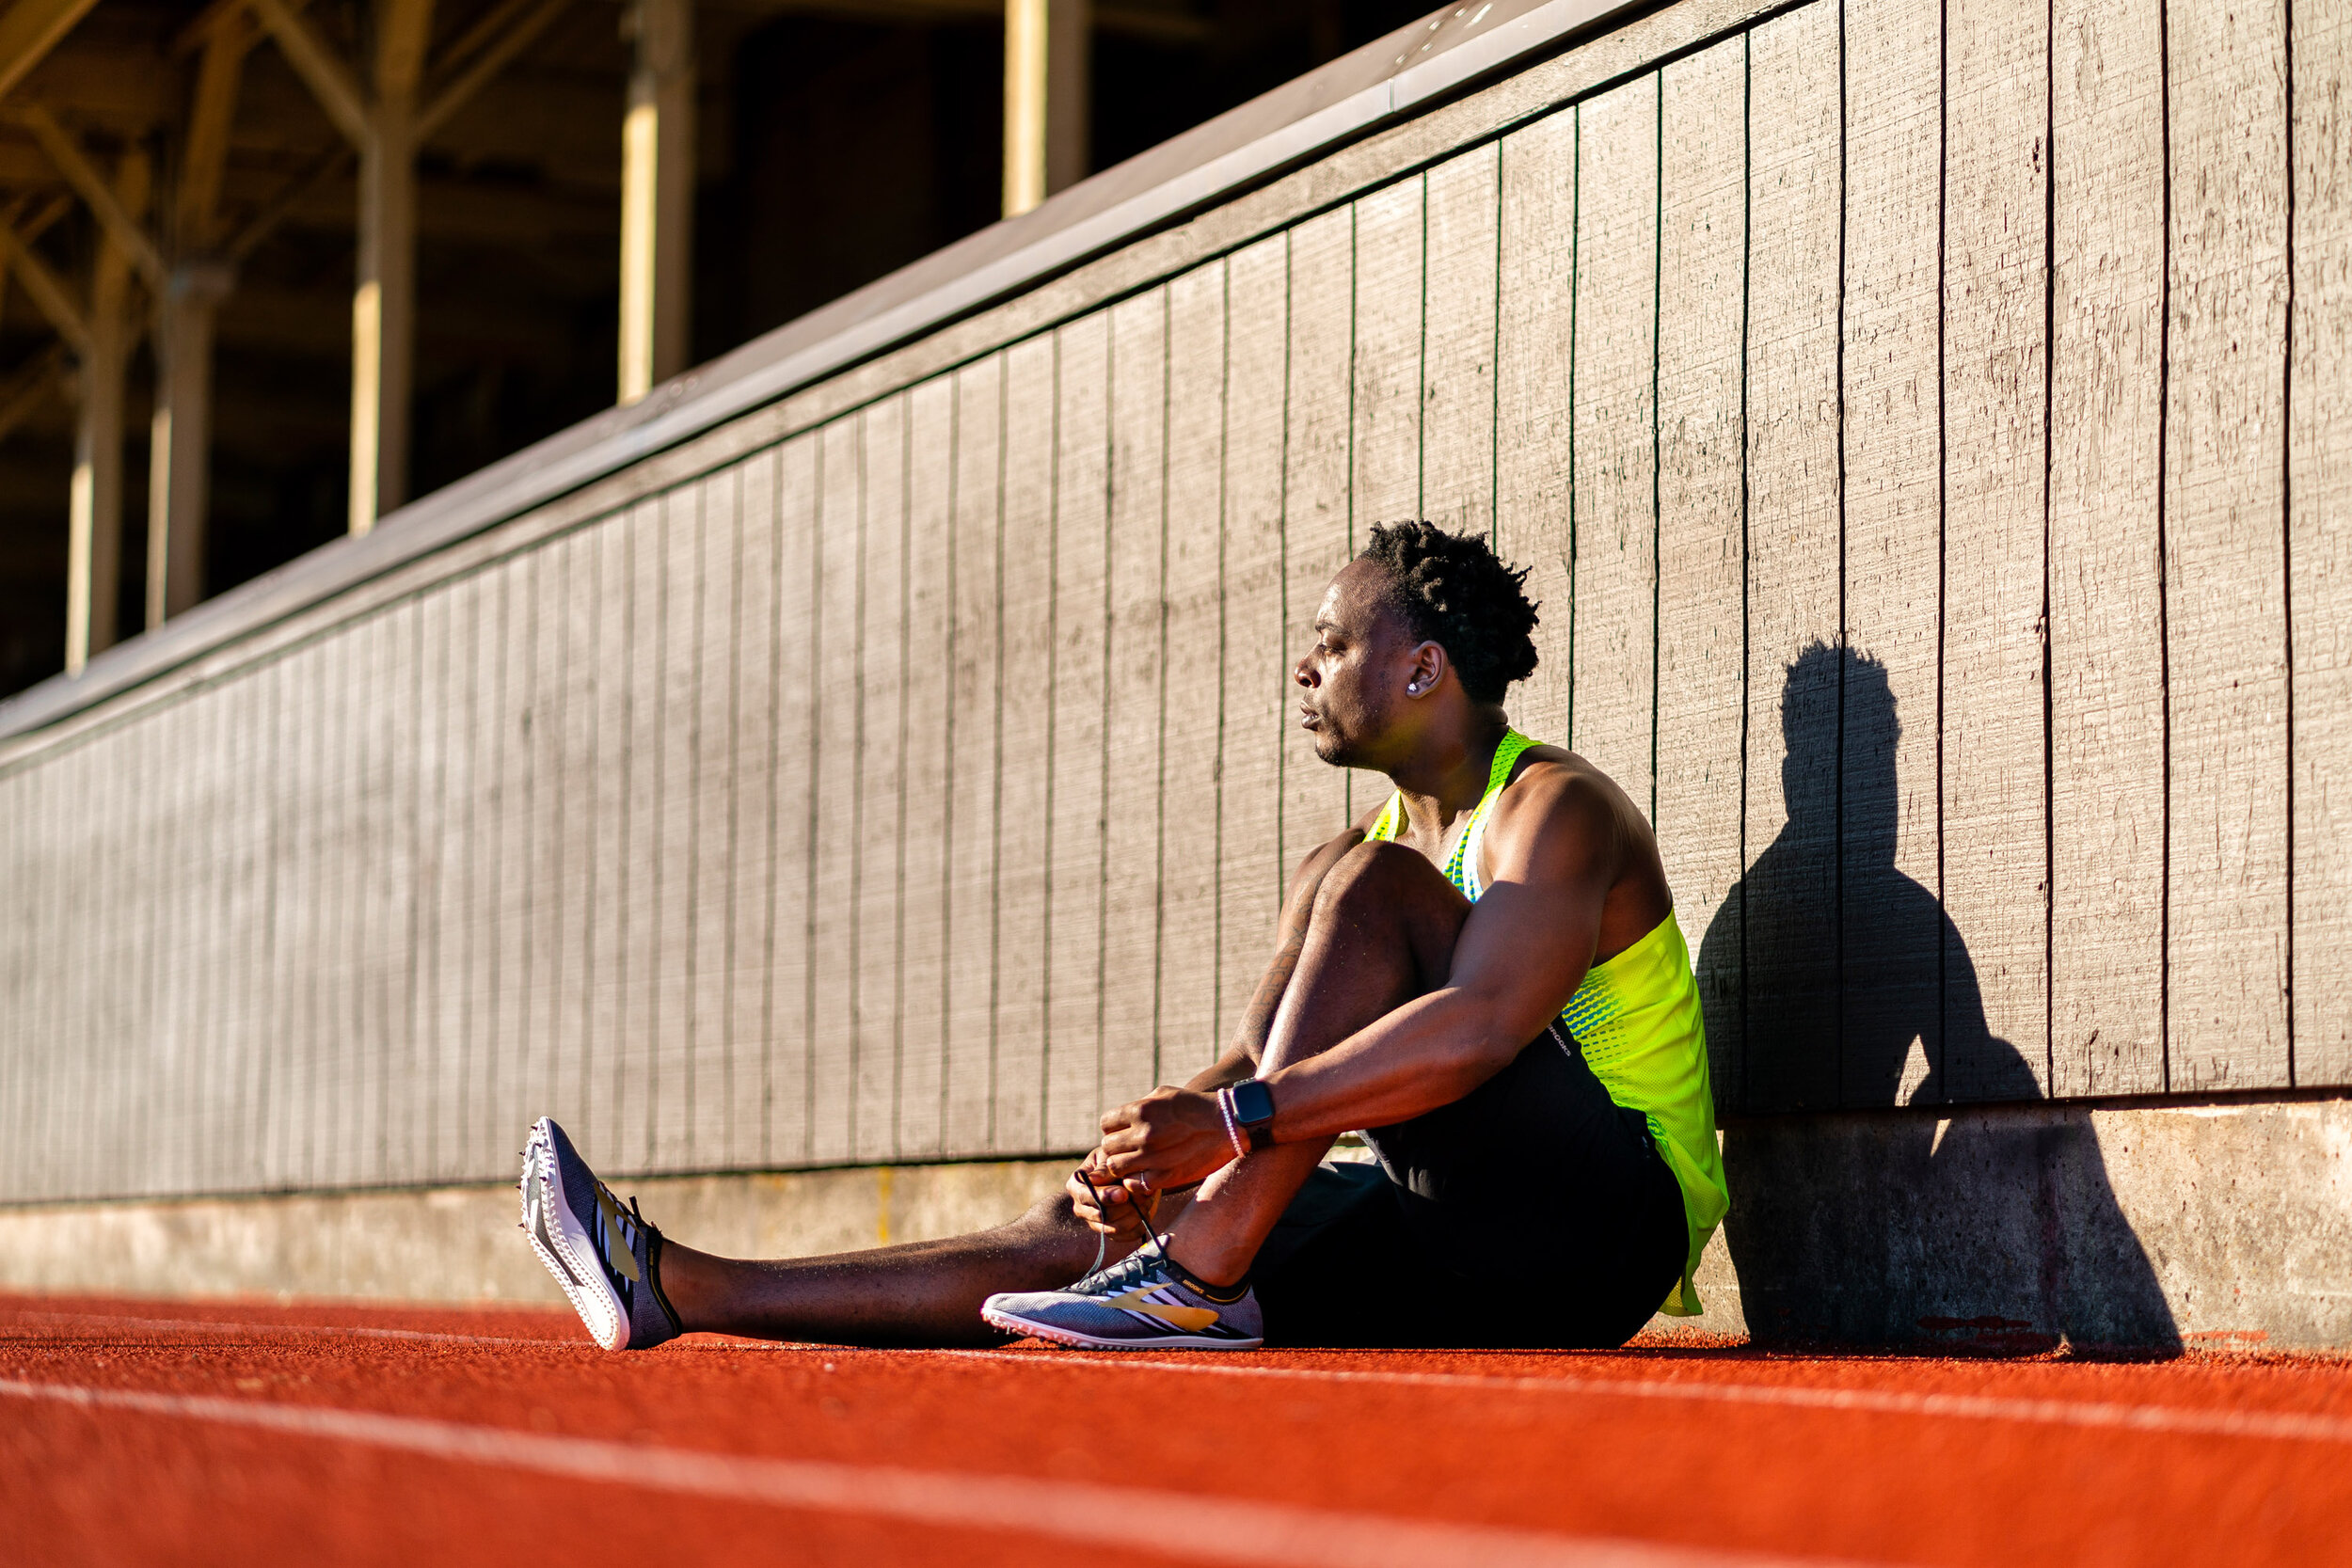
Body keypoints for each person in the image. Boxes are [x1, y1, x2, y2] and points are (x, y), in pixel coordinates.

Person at [520, 521, 1728, 1353]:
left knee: (1361, 890)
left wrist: (1239, 1125)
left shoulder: (1552, 808)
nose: (1302, 666)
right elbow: (1269, 1065)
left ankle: (1197, 1278)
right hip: (1458, 1235)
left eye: (1334, 642)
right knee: (1088, 1232)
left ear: (1422, 669)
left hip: (1605, 1229)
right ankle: (676, 1283)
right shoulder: (1365, 848)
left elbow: (1472, 1032)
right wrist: (1156, 1149)